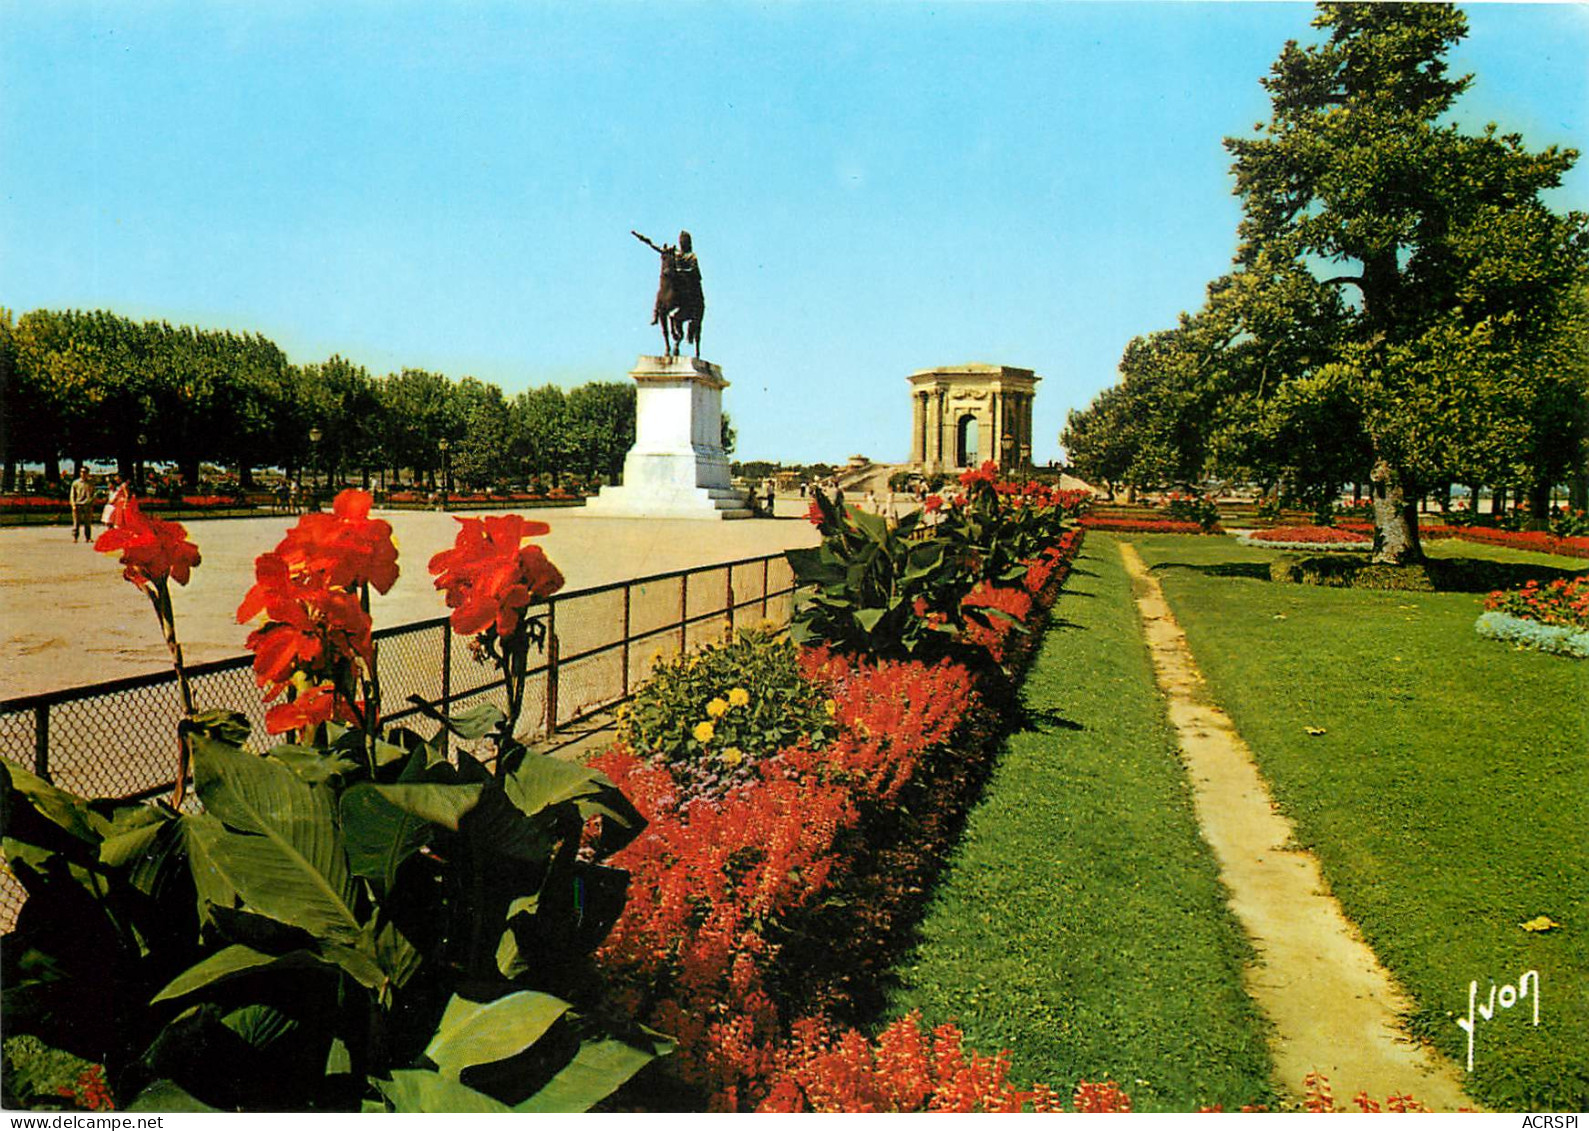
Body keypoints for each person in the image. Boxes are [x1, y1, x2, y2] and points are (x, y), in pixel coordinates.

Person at [69, 467, 95, 543]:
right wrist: (73, 504)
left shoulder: (91, 483)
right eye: (82, 472)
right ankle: (75, 537)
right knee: (76, 522)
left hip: (87, 505)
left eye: (85, 472)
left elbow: (93, 493)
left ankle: (88, 537)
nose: (83, 474)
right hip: (78, 504)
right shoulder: (76, 483)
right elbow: (72, 495)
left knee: (88, 522)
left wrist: (91, 501)